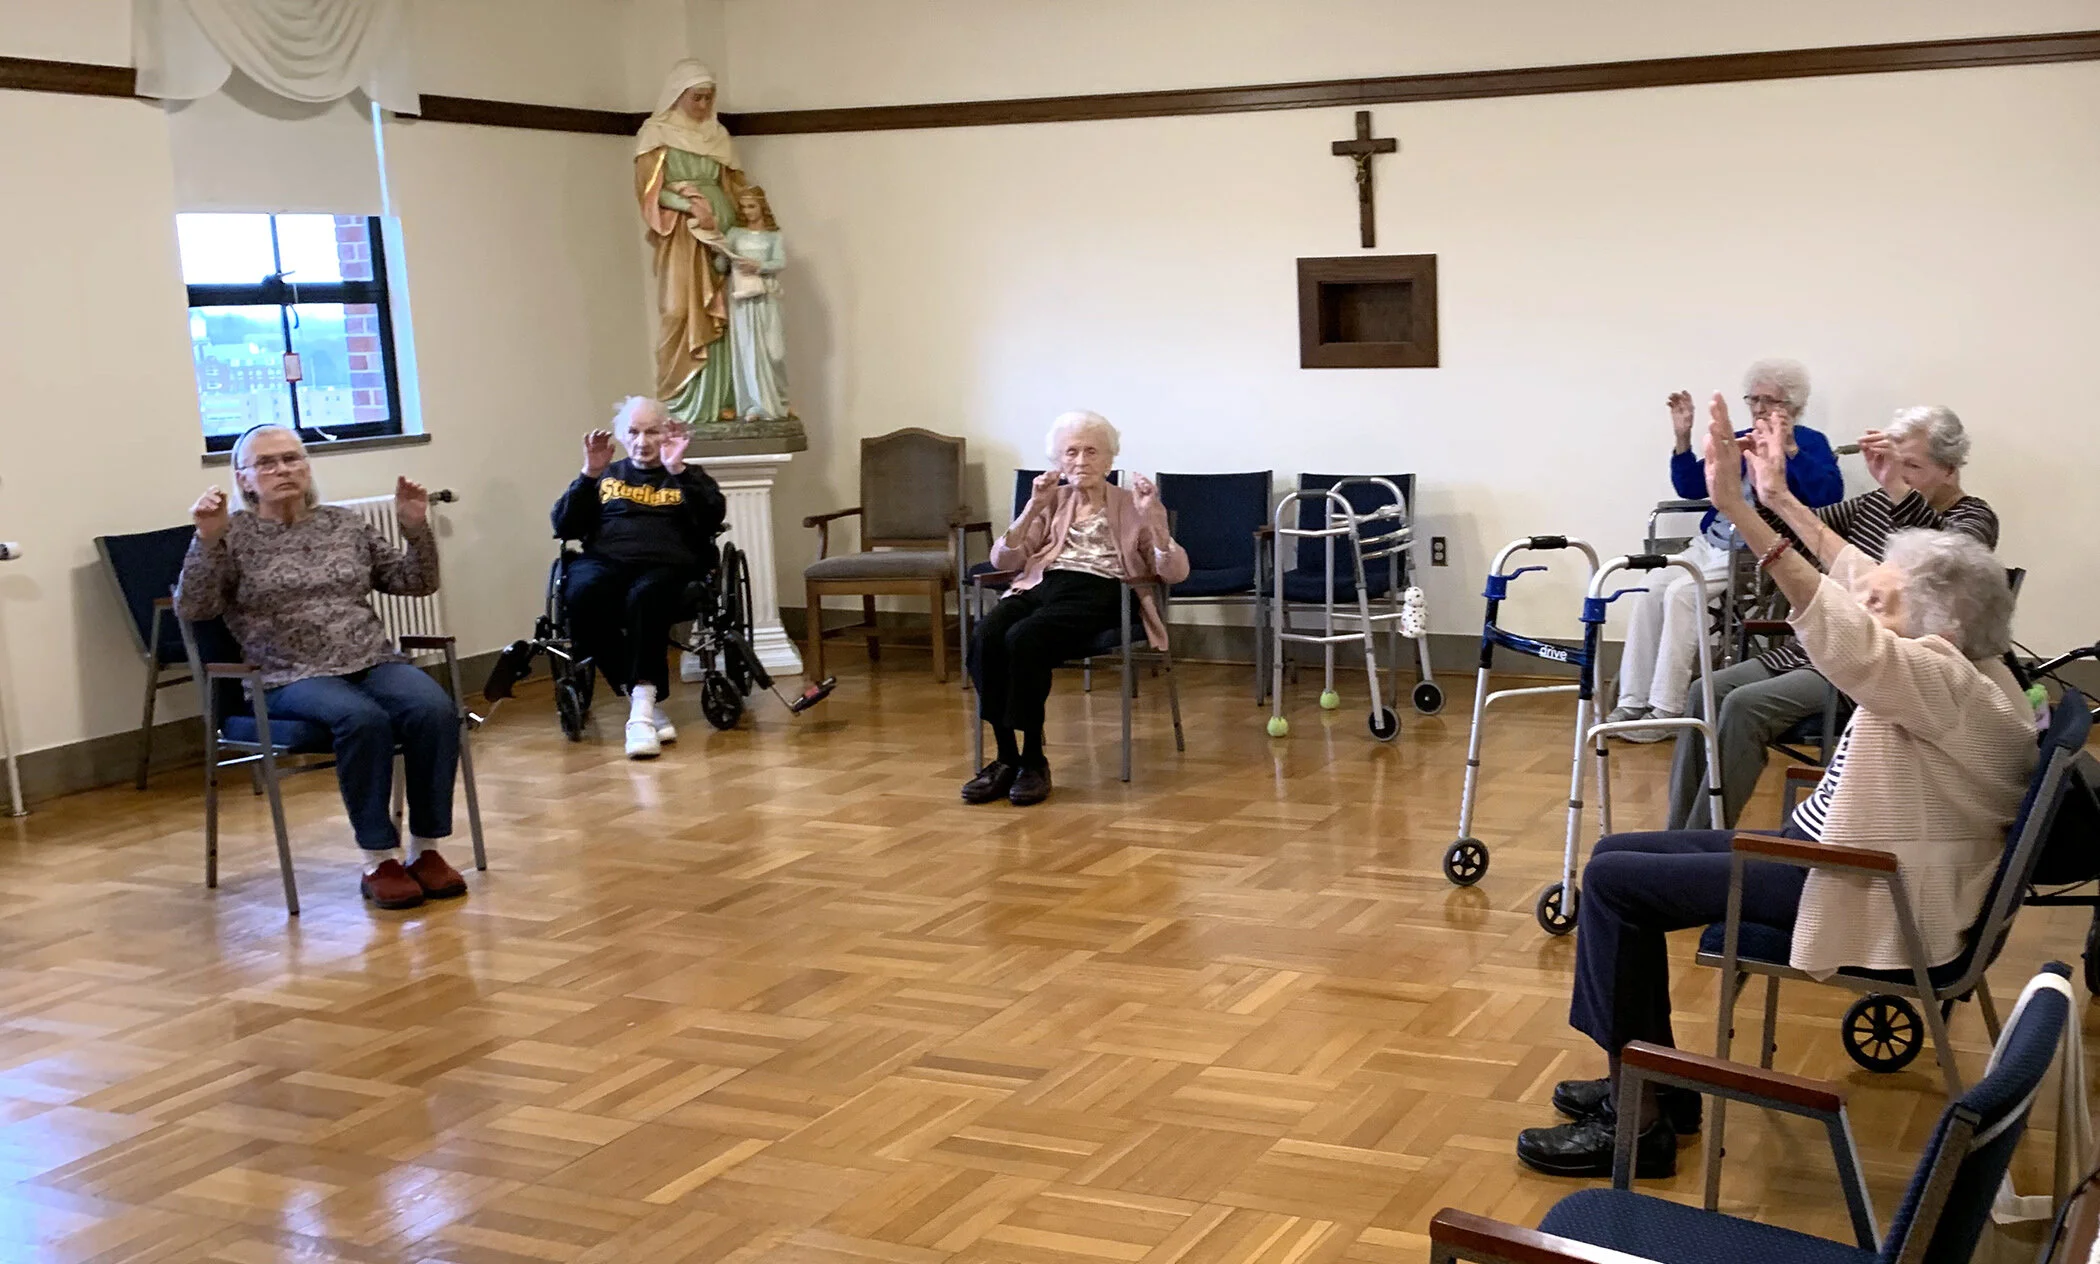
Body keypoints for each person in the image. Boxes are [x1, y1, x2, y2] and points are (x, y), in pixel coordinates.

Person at [1515, 395, 2035, 1179]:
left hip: (1860, 884)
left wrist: (1738, 510)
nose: (1864, 599)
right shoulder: (1973, 667)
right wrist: (1778, 498)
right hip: (1840, 856)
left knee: (1614, 881)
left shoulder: (1942, 681)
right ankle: (1657, 1084)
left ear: (1940, 629)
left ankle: (1642, 1117)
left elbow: (1844, 624)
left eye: (1881, 604)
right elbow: (1857, 573)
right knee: (1620, 852)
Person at [174, 424, 467, 912]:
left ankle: (426, 850)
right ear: (244, 479)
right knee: (362, 720)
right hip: (286, 673)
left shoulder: (343, 524)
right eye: (266, 463)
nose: (282, 470)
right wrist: (206, 539)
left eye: (292, 459)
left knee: (434, 709)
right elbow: (194, 608)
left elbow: (417, 582)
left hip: (369, 657)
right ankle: (379, 858)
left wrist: (415, 527)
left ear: (307, 469)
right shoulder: (232, 536)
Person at [1666, 403, 1998, 827]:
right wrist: (1763, 486)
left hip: (1881, 666)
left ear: (1950, 470)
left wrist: (1899, 491)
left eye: (1912, 465)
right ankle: (1677, 834)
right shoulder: (1873, 504)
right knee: (1703, 693)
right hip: (1815, 649)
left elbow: (1941, 571)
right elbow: (1794, 536)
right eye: (1899, 464)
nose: (1902, 475)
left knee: (1744, 707)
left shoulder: (1974, 518)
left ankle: (1701, 841)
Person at [1608, 360, 1842, 741]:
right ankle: (1632, 701)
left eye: (1771, 401)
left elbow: (1829, 495)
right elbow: (1689, 486)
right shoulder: (1740, 436)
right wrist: (1683, 438)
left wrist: (1789, 448)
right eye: (1754, 399)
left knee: (1684, 594)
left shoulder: (1810, 441)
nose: (1760, 408)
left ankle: (1666, 710)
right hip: (1710, 543)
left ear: (1794, 406)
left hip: (1753, 551)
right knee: (1650, 589)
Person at [965, 411, 1189, 807]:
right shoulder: (1051, 502)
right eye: (1071, 452)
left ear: (1109, 460)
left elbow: (1173, 573)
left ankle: (1032, 759)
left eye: (1091, 452)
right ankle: (1005, 758)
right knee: (986, 634)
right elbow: (1005, 561)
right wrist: (1032, 508)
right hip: (1042, 583)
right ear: (1058, 461)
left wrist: (1156, 522)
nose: (1081, 461)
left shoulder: (1131, 504)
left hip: (1101, 590)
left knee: (1024, 638)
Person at [553, 396, 728, 759]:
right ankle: (641, 703)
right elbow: (564, 525)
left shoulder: (687, 475)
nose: (643, 441)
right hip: (606, 562)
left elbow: (712, 519)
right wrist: (589, 474)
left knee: (645, 596)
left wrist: (677, 469)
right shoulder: (606, 475)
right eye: (633, 432)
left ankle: (642, 714)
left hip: (669, 567)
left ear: (669, 432)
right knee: (581, 592)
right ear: (621, 435)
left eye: (652, 431)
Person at [635, 60, 747, 426]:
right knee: (677, 311)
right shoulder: (656, 133)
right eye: (697, 98)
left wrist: (738, 230)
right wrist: (690, 206)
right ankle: (679, 404)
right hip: (682, 235)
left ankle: (719, 403)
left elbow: (736, 188)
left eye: (708, 99)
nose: (702, 106)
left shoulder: (719, 137)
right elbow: (649, 191)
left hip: (721, 239)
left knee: (723, 320)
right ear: (678, 95)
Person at [726, 185, 791, 422]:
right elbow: (722, 265)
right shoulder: (735, 234)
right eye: (744, 207)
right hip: (743, 301)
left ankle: (778, 402)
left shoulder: (774, 235)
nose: (748, 211)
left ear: (762, 206)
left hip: (767, 297)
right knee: (748, 350)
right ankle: (754, 405)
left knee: (775, 352)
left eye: (752, 206)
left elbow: (780, 262)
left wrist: (759, 266)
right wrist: (720, 254)